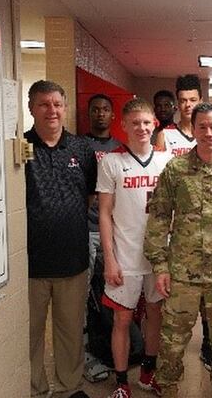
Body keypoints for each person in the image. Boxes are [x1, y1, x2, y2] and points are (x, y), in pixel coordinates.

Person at [144, 102, 212, 398]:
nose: (209, 133)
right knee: (172, 343)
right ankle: (167, 390)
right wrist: (160, 266)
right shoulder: (176, 170)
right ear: (193, 130)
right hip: (181, 273)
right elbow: (159, 218)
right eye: (202, 127)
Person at [98, 98, 173, 398]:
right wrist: (109, 259)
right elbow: (104, 213)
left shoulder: (167, 161)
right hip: (125, 256)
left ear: (154, 123)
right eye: (135, 123)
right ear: (124, 125)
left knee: (156, 314)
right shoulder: (111, 161)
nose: (141, 128)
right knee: (122, 319)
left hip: (158, 257)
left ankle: (147, 373)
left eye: (146, 122)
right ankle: (121, 382)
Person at [25, 80, 96, 398]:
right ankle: (35, 387)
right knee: (31, 332)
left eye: (57, 104)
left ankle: (70, 387)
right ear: (31, 108)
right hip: (30, 262)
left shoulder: (81, 149)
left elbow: (90, 196)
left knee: (69, 330)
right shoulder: (20, 146)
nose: (51, 110)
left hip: (73, 259)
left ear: (65, 107)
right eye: (43, 104)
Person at [84, 93, 122, 383]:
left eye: (105, 110)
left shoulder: (119, 150)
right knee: (84, 295)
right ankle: (86, 351)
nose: (100, 114)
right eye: (95, 109)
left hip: (112, 231)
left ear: (112, 115)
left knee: (111, 292)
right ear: (89, 113)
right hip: (85, 230)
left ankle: (115, 347)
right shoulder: (79, 145)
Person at [156, 75, 200, 157]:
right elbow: (159, 168)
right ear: (178, 104)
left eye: (193, 100)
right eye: (183, 101)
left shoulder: (210, 134)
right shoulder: (164, 135)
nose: (188, 105)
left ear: (200, 101)